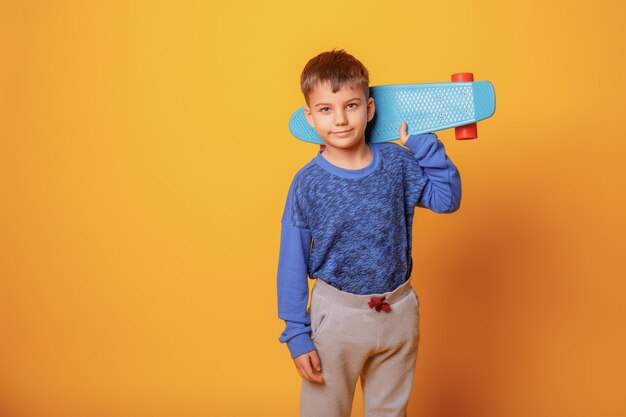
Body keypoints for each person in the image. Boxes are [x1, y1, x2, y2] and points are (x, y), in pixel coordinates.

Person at [276, 49, 462, 417]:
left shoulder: (397, 163)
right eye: (327, 109)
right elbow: (291, 261)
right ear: (310, 118)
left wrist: (423, 144)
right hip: (336, 319)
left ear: (370, 109)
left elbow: (447, 199)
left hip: (398, 313)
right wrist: (297, 335)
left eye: (351, 105)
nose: (341, 119)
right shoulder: (307, 183)